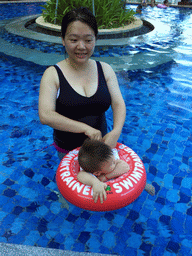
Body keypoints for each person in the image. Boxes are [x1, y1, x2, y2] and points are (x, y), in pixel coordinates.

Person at [38, 7, 126, 197]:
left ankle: (139, 185)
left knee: (113, 176)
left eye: (88, 39)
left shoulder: (105, 69)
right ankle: (63, 196)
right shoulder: (53, 74)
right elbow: (45, 115)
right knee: (70, 191)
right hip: (68, 147)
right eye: (73, 39)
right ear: (63, 39)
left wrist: (116, 132)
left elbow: (118, 103)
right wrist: (84, 128)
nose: (82, 46)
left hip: (101, 147)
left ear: (96, 39)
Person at [78, 139, 155, 203]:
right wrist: (95, 182)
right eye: (112, 163)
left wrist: (106, 177)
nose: (115, 161)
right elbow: (80, 175)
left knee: (137, 181)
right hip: (110, 191)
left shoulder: (109, 157)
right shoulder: (91, 168)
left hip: (125, 181)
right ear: (97, 173)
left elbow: (125, 167)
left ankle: (143, 185)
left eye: (114, 160)